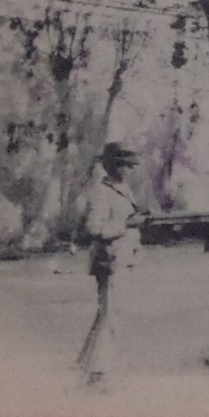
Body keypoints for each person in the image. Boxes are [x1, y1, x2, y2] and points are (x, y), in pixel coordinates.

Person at [75, 142, 145, 387]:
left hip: (122, 258)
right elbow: (93, 227)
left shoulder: (123, 189)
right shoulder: (101, 192)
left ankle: (90, 364)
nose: (129, 170)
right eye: (125, 165)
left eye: (131, 165)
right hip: (109, 260)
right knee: (110, 315)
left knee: (108, 313)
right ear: (113, 165)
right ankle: (99, 374)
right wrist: (127, 224)